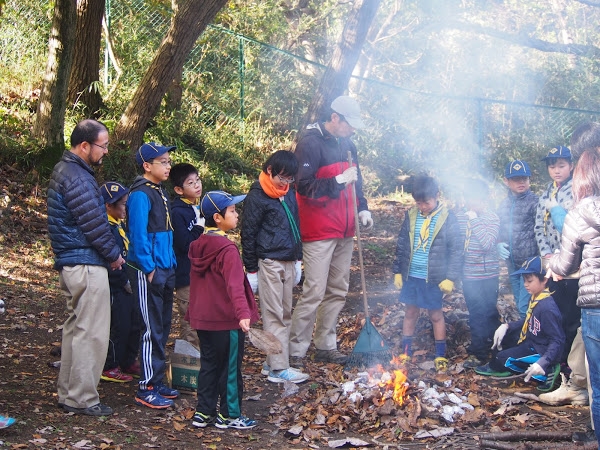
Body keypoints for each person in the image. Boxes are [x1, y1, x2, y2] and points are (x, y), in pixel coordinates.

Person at [47, 119, 125, 416]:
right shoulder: (78, 176)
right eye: (102, 146)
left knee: (75, 329)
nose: (105, 152)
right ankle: (82, 398)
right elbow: (94, 225)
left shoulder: (65, 170)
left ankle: (69, 393)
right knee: (91, 332)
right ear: (84, 146)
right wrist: (114, 255)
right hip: (85, 263)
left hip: (72, 262)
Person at [289, 95, 373, 367]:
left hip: (345, 228)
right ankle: (296, 349)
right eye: (350, 123)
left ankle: (325, 344)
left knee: (338, 288)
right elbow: (302, 186)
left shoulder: (348, 144)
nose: (353, 129)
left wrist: (362, 207)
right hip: (319, 229)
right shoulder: (310, 144)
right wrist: (337, 181)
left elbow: (356, 182)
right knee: (314, 289)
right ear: (335, 117)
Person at [187, 191, 260, 429]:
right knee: (230, 369)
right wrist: (243, 314)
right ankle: (230, 415)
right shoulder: (226, 249)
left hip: (203, 320)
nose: (236, 214)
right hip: (226, 321)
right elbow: (234, 285)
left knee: (208, 365)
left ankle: (203, 412)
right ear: (217, 218)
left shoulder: (198, 245)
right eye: (232, 211)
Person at [547, 142, 600, 445]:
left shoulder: (580, 212)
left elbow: (566, 264)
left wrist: (551, 263)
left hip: (596, 305)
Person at [241, 150, 308, 384]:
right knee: (274, 315)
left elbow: (296, 226)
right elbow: (247, 233)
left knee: (286, 312)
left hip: (289, 260)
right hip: (269, 261)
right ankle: (280, 369)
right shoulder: (257, 196)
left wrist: (298, 259)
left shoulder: (288, 192)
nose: (286, 183)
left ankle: (272, 362)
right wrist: (251, 270)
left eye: (290, 179)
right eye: (282, 178)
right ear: (270, 170)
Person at [391, 175, 463, 372]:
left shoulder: (447, 217)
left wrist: (451, 278)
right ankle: (406, 351)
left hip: (434, 277)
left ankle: (440, 355)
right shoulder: (412, 215)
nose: (422, 206)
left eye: (427, 202)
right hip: (412, 274)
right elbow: (402, 244)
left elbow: (456, 249)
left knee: (436, 314)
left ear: (437, 196)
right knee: (410, 312)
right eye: (419, 202)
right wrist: (397, 271)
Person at [126, 142, 179, 409]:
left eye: (169, 161)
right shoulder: (139, 195)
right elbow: (137, 236)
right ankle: (145, 386)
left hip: (166, 268)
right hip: (149, 271)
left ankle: (157, 381)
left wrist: (170, 264)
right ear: (147, 166)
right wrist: (149, 268)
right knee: (150, 328)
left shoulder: (160, 191)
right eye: (163, 162)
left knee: (163, 326)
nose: (168, 166)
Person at [475, 256, 564, 393]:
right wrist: (508, 326)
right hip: (531, 340)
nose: (525, 285)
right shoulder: (536, 297)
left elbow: (557, 340)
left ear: (544, 279)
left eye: (529, 280)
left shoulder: (547, 307)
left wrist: (545, 360)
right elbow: (529, 321)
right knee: (502, 341)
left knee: (501, 358)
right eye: (524, 280)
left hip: (541, 349)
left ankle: (548, 370)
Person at [534, 146, 579, 363]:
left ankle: (569, 366)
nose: (557, 171)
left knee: (571, 318)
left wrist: (562, 260)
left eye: (561, 165)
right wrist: (547, 256)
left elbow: (572, 229)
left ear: (571, 166)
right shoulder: (545, 195)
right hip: (552, 265)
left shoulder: (577, 190)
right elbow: (538, 229)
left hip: (571, 265)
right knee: (556, 314)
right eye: (552, 167)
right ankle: (555, 362)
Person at [456, 179, 501, 369]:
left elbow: (488, 243)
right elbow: (456, 244)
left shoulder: (492, 218)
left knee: (490, 312)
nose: (473, 203)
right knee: (476, 313)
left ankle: (497, 347)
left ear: (485, 199)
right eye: (470, 199)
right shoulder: (459, 217)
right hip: (469, 276)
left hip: (489, 275)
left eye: (478, 199)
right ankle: (479, 352)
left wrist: (474, 219)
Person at [100, 182, 141, 383]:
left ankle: (128, 360)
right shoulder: (105, 227)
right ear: (108, 206)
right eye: (122, 205)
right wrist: (122, 279)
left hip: (129, 281)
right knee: (119, 325)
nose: (125, 209)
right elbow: (109, 259)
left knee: (135, 322)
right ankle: (110, 365)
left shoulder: (119, 224)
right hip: (116, 285)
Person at [496, 160, 539, 318]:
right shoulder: (503, 205)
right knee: (519, 302)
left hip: (530, 265)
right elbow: (499, 229)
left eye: (524, 178)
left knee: (525, 306)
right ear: (506, 181)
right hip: (512, 264)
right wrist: (498, 243)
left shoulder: (535, 202)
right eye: (516, 179)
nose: (521, 182)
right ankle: (526, 338)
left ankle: (531, 340)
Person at [169, 163, 203, 351]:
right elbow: (185, 244)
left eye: (197, 180)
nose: (197, 185)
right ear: (179, 190)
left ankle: (201, 362)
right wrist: (199, 227)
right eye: (191, 183)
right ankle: (189, 366)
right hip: (184, 274)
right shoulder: (177, 212)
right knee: (189, 318)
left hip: (198, 273)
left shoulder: (195, 207)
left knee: (201, 316)